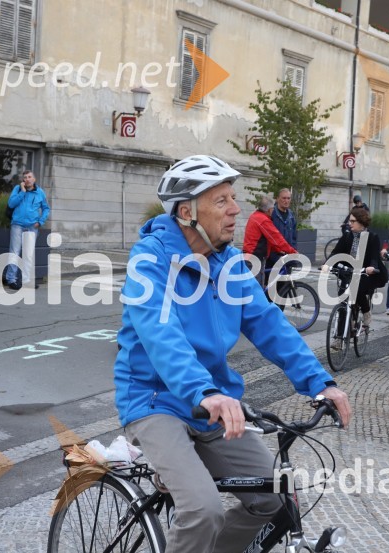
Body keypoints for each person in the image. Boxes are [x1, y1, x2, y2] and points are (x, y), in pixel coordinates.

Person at [113, 155, 351, 553]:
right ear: (187, 212)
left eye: (233, 197)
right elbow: (160, 333)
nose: (235, 209)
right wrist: (204, 392)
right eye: (221, 200)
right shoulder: (150, 260)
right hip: (155, 400)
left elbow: (269, 325)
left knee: (273, 499)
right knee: (202, 509)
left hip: (215, 403)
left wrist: (321, 382)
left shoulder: (231, 265)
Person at [322, 206, 386, 334]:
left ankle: (366, 311)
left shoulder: (372, 237)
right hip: (349, 271)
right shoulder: (347, 236)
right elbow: (336, 252)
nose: (349, 224)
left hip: (367, 273)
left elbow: (374, 257)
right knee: (342, 299)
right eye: (349, 221)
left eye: (352, 221)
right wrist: (327, 264)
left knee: (356, 289)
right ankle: (340, 337)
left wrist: (371, 267)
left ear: (361, 222)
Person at [5, 170, 50, 290]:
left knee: (28, 254)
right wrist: (23, 192)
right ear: (23, 180)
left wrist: (40, 222)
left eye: (30, 177)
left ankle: (26, 280)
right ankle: (11, 279)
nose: (27, 179)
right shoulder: (18, 189)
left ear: (34, 179)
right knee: (15, 252)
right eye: (25, 177)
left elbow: (46, 208)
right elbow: (11, 204)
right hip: (17, 225)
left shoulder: (40, 192)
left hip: (31, 226)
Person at [242, 195, 297, 287]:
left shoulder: (256, 216)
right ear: (269, 210)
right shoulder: (263, 220)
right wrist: (293, 252)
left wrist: (278, 250)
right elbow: (276, 238)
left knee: (258, 286)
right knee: (256, 289)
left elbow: (269, 240)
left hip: (252, 256)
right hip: (255, 258)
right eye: (272, 208)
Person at [267, 188, 297, 271]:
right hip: (274, 256)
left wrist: (294, 250)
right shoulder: (271, 214)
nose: (286, 201)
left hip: (288, 255)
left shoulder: (291, 215)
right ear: (277, 199)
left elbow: (294, 236)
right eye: (284, 198)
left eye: (288, 198)